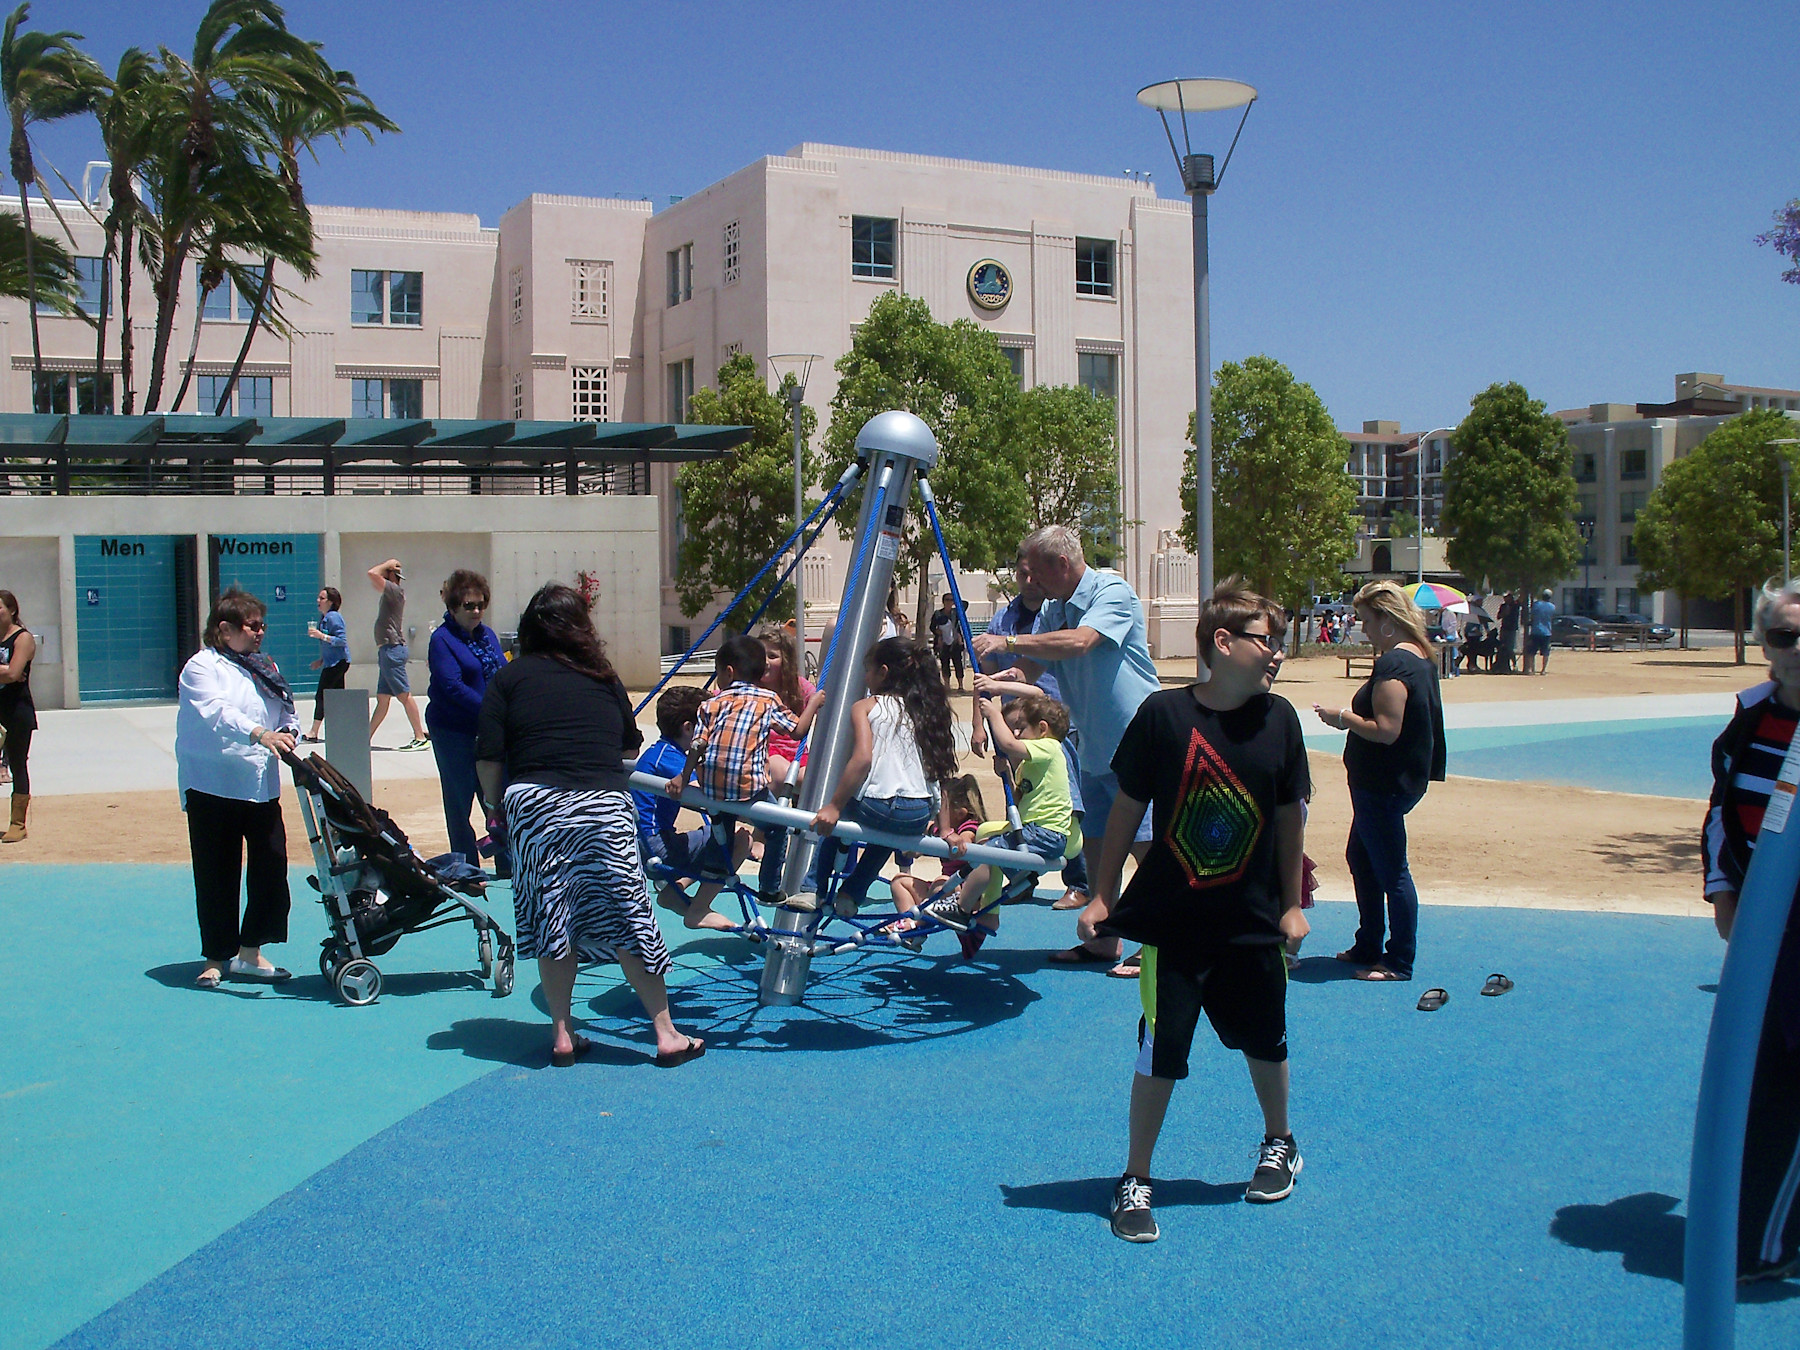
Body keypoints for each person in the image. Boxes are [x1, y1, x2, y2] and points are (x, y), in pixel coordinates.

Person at [1076, 579, 1310, 1242]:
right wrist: (1102, 893)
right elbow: (1125, 808)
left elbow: (1291, 815)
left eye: (1281, 642)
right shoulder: (1163, 716)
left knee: (1265, 1039)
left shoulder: (1280, 720)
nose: (1278, 654)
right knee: (1161, 1050)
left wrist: (1292, 906)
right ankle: (1135, 1176)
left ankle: (1279, 1140)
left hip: (1255, 921)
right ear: (1223, 642)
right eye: (1269, 639)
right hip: (1174, 923)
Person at [476, 582, 702, 1068]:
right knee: (628, 915)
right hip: (601, 803)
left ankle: (561, 1035)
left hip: (534, 805)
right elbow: (626, 747)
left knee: (552, 918)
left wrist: (497, 811)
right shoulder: (602, 676)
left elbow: (489, 758)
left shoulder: (508, 681)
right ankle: (665, 1034)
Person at [972, 524, 1159, 973]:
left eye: (1035, 572)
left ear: (1061, 564)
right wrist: (994, 682)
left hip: (1136, 739)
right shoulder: (1055, 609)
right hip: (1092, 745)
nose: (1029, 581)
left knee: (1148, 843)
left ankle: (1158, 942)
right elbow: (1031, 670)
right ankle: (1103, 938)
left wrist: (1008, 640)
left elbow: (1080, 643)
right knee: (1097, 844)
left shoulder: (1110, 590)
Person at [1701, 579, 1800, 1284]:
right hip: (1770, 932)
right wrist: (1724, 891)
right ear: (1767, 647)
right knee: (1764, 1077)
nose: (1798, 650)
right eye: (1784, 637)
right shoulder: (1751, 720)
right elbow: (1719, 812)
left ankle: (1769, 1242)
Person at [1313, 580, 1446, 983]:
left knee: (1391, 871)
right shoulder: (1420, 657)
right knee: (1362, 858)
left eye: (1367, 620)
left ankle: (1398, 959)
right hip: (1390, 782)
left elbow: (1386, 729)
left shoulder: (1394, 664)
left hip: (1383, 784)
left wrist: (1342, 718)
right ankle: (1369, 942)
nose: (1362, 628)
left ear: (1387, 621)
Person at [175, 589, 302, 988]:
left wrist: (287, 731)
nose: (259, 632)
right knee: (216, 872)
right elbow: (216, 712)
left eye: (263, 625)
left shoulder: (265, 665)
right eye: (251, 626)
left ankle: (251, 952)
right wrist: (259, 732)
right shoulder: (200, 667)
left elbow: (285, 708)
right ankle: (216, 956)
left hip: (260, 783)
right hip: (211, 783)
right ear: (224, 629)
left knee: (271, 866)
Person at [664, 634, 824, 914]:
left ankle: (714, 868)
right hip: (748, 787)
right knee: (778, 827)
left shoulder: (711, 703)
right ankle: (770, 889)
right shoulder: (767, 699)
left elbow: (698, 744)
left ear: (728, 672)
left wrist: (682, 776)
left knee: (721, 821)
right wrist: (813, 705)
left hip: (712, 787)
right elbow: (798, 731)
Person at [810, 636, 961, 918]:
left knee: (836, 825)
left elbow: (862, 759)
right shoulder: (928, 711)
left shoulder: (866, 706)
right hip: (916, 813)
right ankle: (851, 893)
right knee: (887, 838)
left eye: (867, 670)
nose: (865, 677)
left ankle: (812, 887)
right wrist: (946, 830)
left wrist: (834, 805)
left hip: (877, 806)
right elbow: (939, 777)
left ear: (883, 672)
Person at [928, 689, 1076, 954]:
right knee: (988, 845)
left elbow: (1008, 744)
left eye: (1021, 728)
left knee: (989, 853)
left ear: (1042, 729)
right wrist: (1007, 776)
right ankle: (983, 905)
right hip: (1033, 832)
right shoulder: (1034, 764)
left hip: (1044, 834)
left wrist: (993, 714)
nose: (1017, 734)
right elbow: (1019, 802)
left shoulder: (1050, 747)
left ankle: (961, 906)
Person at [634, 685, 742, 932]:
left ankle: (676, 890)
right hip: (655, 846)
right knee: (740, 840)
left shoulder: (659, 752)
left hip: (645, 844)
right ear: (689, 729)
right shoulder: (671, 759)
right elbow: (706, 792)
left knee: (715, 833)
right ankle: (699, 909)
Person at [427, 569, 507, 870]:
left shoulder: (487, 635)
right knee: (459, 801)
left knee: (497, 799)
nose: (476, 611)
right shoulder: (442, 640)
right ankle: (466, 869)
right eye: (469, 606)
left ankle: (507, 864)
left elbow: (501, 673)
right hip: (453, 732)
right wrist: (492, 709)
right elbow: (452, 686)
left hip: (489, 731)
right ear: (452, 608)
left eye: (480, 605)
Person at [366, 558, 428, 749]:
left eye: (387, 574)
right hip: (387, 650)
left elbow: (372, 573)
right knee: (383, 699)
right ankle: (364, 739)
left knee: (403, 695)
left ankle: (420, 736)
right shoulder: (393, 592)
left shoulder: (394, 590)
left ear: (391, 575)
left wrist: (387, 564)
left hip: (392, 650)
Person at [0, 589, 36, 842]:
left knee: (17, 763)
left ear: (12, 610)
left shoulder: (22, 638)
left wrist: (8, 670)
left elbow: (14, 674)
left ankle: (17, 823)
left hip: (16, 709)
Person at [302, 587, 350, 744]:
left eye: (322, 598)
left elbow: (341, 641)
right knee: (337, 698)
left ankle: (313, 732)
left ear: (331, 602)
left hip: (338, 663)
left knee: (321, 696)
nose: (318, 600)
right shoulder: (324, 618)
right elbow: (329, 646)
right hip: (332, 662)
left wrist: (321, 635)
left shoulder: (333, 617)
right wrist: (321, 660)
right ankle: (342, 730)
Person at [929, 592, 967, 689]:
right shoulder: (938, 614)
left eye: (951, 600)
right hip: (943, 642)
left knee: (958, 663)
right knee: (944, 663)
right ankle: (947, 685)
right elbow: (932, 627)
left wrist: (956, 601)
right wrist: (938, 633)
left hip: (955, 642)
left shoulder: (956, 613)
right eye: (947, 600)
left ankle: (961, 685)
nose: (949, 602)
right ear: (943, 601)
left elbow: (965, 604)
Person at [1527, 588, 1556, 675]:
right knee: (1545, 652)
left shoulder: (1536, 604)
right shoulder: (1552, 607)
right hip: (1546, 632)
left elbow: (1532, 615)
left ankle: (1532, 669)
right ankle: (1543, 670)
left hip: (1535, 630)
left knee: (1532, 652)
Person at [1497, 592, 1520, 675]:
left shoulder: (1515, 605)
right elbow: (1498, 616)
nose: (1505, 599)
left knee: (1510, 648)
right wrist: (1504, 613)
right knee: (1502, 648)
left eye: (1507, 597)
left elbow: (1521, 600)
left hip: (1511, 629)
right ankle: (1503, 666)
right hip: (1504, 628)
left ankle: (1514, 664)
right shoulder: (1503, 606)